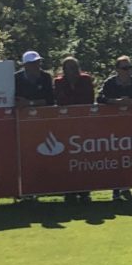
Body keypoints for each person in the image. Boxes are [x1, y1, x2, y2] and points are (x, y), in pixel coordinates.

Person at [98, 55, 132, 201]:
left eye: (130, 67)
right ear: (117, 69)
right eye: (125, 68)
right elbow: (100, 98)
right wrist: (115, 102)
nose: (128, 70)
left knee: (130, 157)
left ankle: (127, 188)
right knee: (116, 158)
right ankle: (116, 190)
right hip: (114, 126)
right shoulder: (110, 83)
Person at [54, 56, 95, 203]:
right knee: (67, 159)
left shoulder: (85, 80)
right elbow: (60, 101)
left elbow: (89, 100)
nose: (70, 71)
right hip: (65, 125)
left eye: (73, 67)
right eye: (67, 68)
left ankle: (84, 191)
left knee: (84, 158)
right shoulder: (59, 82)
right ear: (63, 70)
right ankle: (69, 191)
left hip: (84, 124)